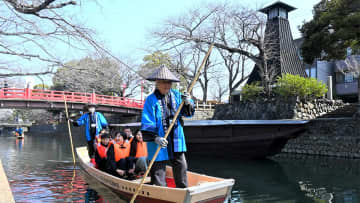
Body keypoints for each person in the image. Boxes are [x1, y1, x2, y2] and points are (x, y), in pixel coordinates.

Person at [140, 65, 194, 188]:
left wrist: (187, 102)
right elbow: (147, 121)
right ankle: (161, 192)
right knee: (158, 169)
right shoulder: (150, 100)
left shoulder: (177, 95)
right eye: (164, 82)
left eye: (169, 82)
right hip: (159, 137)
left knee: (181, 165)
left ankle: (183, 190)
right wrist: (155, 138)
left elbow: (188, 113)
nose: (167, 85)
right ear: (157, 83)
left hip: (176, 136)